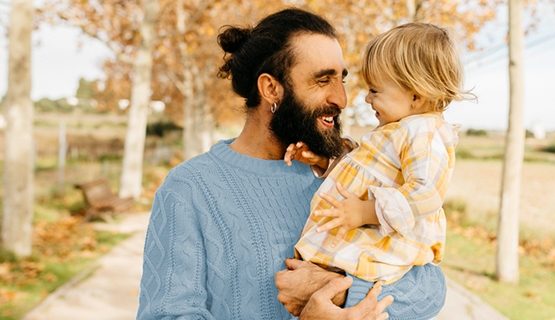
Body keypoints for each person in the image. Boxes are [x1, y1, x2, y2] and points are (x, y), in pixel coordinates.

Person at [136, 8, 446, 320]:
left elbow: (431, 286)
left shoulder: (348, 174)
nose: (342, 98)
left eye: (342, 79)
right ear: (271, 89)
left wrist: (341, 292)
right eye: (323, 79)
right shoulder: (190, 189)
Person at [288, 21, 473, 298]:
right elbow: (364, 170)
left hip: (385, 244)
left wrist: (365, 212)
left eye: (375, 90)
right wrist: (324, 159)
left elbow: (427, 194)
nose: (365, 98)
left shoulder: (424, 132)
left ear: (416, 95)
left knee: (313, 287)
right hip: (367, 240)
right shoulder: (400, 129)